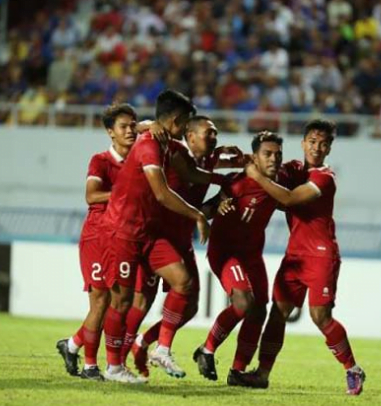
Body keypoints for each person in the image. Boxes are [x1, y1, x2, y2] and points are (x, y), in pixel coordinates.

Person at [99, 89, 220, 382]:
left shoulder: (167, 144)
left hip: (149, 233)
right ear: (176, 121)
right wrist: (198, 215)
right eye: (185, 123)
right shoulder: (148, 145)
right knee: (123, 301)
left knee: (183, 282)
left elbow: (190, 173)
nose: (186, 130)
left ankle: (161, 348)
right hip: (124, 231)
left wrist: (225, 179)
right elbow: (162, 194)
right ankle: (113, 366)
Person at [238, 120, 365, 394]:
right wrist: (248, 163)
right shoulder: (294, 169)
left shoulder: (324, 178)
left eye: (323, 143)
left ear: (329, 148)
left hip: (321, 255)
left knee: (321, 316)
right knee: (278, 313)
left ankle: (352, 369)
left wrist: (257, 176)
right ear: (303, 143)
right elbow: (270, 173)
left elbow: (289, 199)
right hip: (294, 255)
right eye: (312, 142)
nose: (317, 148)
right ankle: (262, 374)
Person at [120, 116, 247, 378]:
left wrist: (219, 203)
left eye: (216, 133)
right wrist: (150, 124)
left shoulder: (211, 160)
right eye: (208, 133)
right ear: (190, 136)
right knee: (142, 301)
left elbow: (201, 208)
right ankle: (117, 359)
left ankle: (145, 343)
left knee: (189, 306)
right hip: (156, 236)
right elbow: (137, 128)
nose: (214, 137)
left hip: (182, 238)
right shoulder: (173, 150)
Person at [55, 103, 142, 382]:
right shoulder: (101, 161)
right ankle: (90, 366)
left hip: (123, 238)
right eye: (123, 127)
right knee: (101, 301)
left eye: (133, 126)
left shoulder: (140, 160)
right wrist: (125, 192)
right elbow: (91, 196)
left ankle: (71, 345)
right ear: (110, 132)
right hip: (97, 236)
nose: (130, 131)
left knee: (117, 302)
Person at [193, 131, 285, 385]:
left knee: (259, 310)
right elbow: (206, 209)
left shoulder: (280, 181)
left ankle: (237, 371)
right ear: (254, 157)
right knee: (244, 302)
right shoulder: (238, 182)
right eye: (267, 154)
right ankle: (207, 350)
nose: (273, 159)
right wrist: (218, 207)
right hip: (226, 252)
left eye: (278, 154)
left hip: (252, 254)